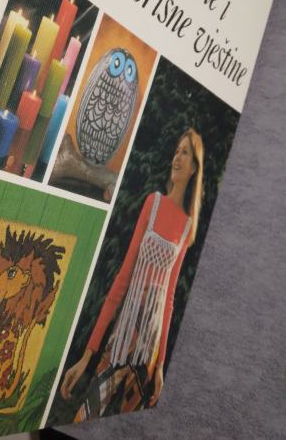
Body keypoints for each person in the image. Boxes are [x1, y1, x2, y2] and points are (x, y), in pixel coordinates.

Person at [61, 128, 204, 419]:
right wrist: (88, 354)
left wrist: (160, 365)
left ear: (194, 168)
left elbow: (169, 299)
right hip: (123, 338)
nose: (177, 157)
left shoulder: (187, 227)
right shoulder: (153, 203)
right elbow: (123, 278)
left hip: (148, 352)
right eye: (177, 151)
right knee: (85, 416)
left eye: (185, 153)